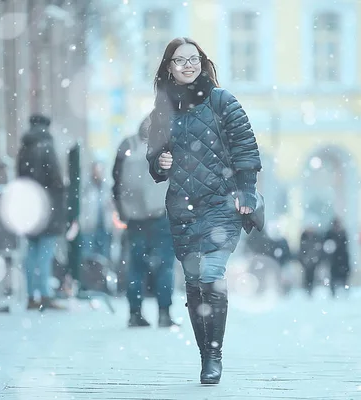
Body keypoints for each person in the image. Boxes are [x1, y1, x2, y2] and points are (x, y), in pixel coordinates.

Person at [146, 37, 261, 384]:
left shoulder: (222, 101)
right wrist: (160, 162)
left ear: (202, 61)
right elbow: (154, 160)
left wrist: (247, 191)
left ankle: (214, 355)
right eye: (180, 60)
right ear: (169, 67)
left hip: (222, 205)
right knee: (195, 286)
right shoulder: (162, 110)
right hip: (183, 209)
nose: (188, 65)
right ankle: (204, 355)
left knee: (211, 276)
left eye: (193, 59)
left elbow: (245, 148)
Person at [112, 116, 178, 328]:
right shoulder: (167, 146)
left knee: (135, 266)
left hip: (134, 217)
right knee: (165, 266)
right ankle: (164, 313)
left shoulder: (127, 145)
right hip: (161, 215)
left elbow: (116, 181)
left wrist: (122, 210)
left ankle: (134, 313)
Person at [16, 114, 66, 310]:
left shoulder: (24, 148)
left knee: (31, 252)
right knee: (45, 253)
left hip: (29, 206)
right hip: (48, 207)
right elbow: (56, 178)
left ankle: (31, 296)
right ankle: (45, 295)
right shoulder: (47, 146)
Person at [80, 160, 115, 261]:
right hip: (90, 227)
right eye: (96, 171)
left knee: (104, 256)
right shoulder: (87, 188)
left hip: (104, 227)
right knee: (88, 255)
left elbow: (111, 207)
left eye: (100, 171)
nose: (98, 174)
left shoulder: (107, 188)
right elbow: (84, 207)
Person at [325, 218, 351, 297]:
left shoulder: (342, 233)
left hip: (342, 259)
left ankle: (344, 290)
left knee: (343, 276)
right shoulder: (329, 234)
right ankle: (334, 291)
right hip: (334, 259)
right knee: (334, 276)